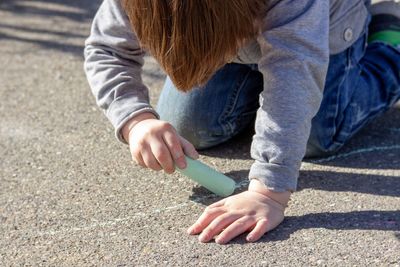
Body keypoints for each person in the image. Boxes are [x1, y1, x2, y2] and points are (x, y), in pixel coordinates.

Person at [84, 0, 400, 244]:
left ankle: (390, 41)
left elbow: (294, 73)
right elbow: (107, 49)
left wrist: (269, 191)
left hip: (325, 30)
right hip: (230, 39)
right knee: (188, 127)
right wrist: (136, 120)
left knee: (317, 135)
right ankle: (258, 84)